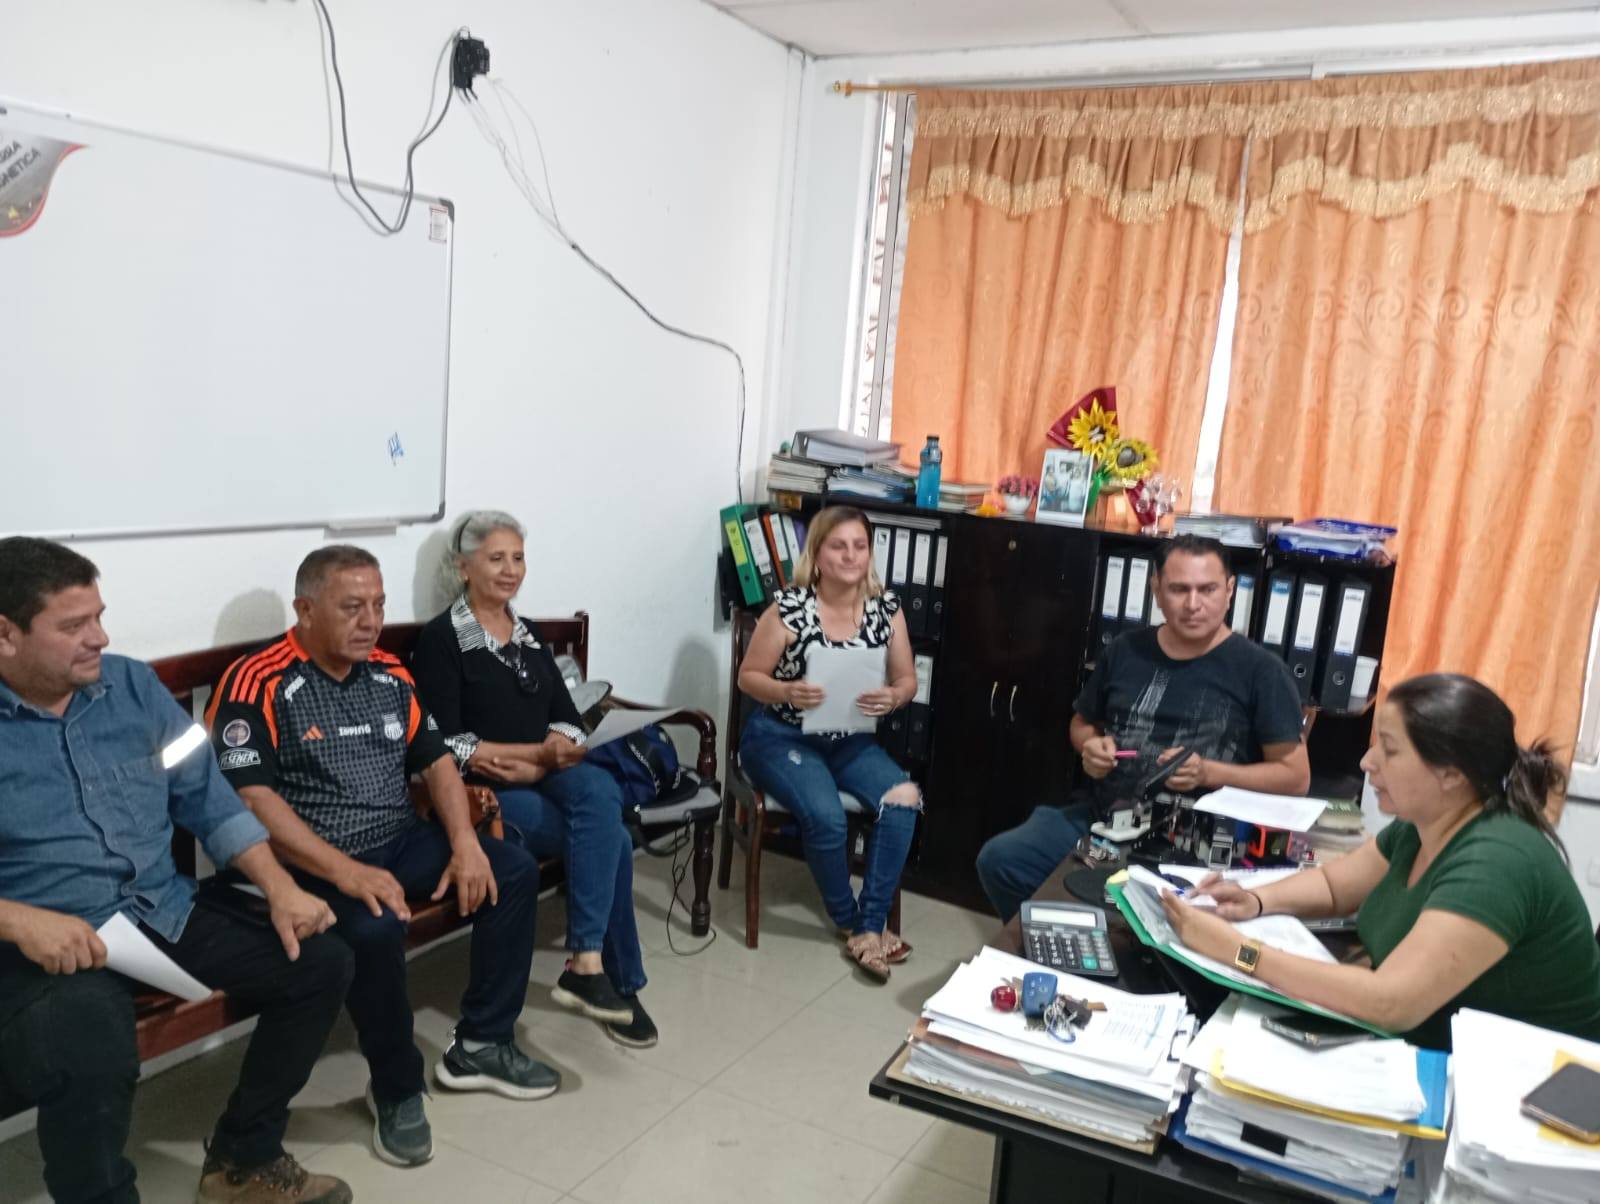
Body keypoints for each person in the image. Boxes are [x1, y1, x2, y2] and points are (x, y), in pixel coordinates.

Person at [0, 537, 355, 1204]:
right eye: (73, 625)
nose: (100, 637)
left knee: (319, 961)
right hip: (46, 943)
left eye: (99, 616)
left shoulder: (133, 687)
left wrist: (280, 887)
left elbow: (207, 797)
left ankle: (242, 1159)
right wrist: (18, 920)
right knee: (90, 1045)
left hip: (157, 908)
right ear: (6, 634)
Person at [206, 546, 558, 1171]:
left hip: (398, 838)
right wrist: (345, 870)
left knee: (511, 870)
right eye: (351, 608)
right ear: (305, 610)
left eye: (378, 605)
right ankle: (397, 1088)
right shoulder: (256, 680)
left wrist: (465, 841)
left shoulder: (391, 673)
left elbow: (437, 761)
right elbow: (251, 800)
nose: (370, 621)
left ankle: (482, 1042)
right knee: (372, 928)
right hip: (311, 863)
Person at [1162, 673, 1600, 1050]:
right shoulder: (1427, 822)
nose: (1367, 761)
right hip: (1428, 1048)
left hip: (1517, 1087)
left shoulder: (1497, 862)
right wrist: (1254, 900)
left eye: (1389, 749)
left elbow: (1390, 1003)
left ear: (1452, 773)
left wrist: (1238, 952)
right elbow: (1335, 887)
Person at [411, 510, 657, 1048]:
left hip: (542, 773)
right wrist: (531, 756)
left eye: (518, 558)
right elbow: (445, 743)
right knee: (613, 839)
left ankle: (589, 962)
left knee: (600, 790)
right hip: (486, 793)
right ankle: (609, 977)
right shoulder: (442, 640)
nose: (510, 570)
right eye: (496, 558)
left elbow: (566, 717)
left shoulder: (526, 634)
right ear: (463, 567)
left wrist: (548, 756)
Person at [976, 534, 1309, 920]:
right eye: (1179, 589)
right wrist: (1091, 746)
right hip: (1105, 821)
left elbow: (1295, 777)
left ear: (1230, 590)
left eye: (1208, 589)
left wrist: (1209, 772)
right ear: (1156, 590)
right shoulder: (1125, 650)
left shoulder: (1262, 672)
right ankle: (1057, 938)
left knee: (1154, 915)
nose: (1193, 604)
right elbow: (1082, 723)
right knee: (1001, 860)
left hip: (1196, 842)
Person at [736, 505, 922, 981]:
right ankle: (851, 922)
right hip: (781, 736)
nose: (851, 555)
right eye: (838, 546)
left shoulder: (887, 609)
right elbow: (748, 677)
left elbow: (907, 680)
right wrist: (786, 691)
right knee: (826, 817)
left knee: (903, 798)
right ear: (817, 555)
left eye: (860, 546)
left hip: (848, 738)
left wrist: (893, 696)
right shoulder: (789, 607)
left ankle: (870, 925)